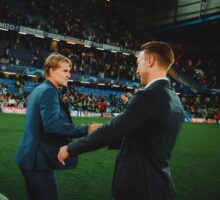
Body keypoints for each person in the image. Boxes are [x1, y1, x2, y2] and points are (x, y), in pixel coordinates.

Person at [58, 41, 185, 200]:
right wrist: (105, 132)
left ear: (150, 61)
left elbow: (112, 131)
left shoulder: (148, 95)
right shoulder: (174, 99)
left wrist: (70, 149)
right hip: (160, 184)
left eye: (138, 63)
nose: (137, 70)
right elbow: (143, 138)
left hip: (139, 187)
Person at [15, 52, 101, 200]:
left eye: (70, 71)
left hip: (32, 157)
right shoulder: (49, 91)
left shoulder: (41, 88)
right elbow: (52, 125)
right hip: (37, 160)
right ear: (52, 70)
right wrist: (86, 129)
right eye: (65, 71)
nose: (69, 75)